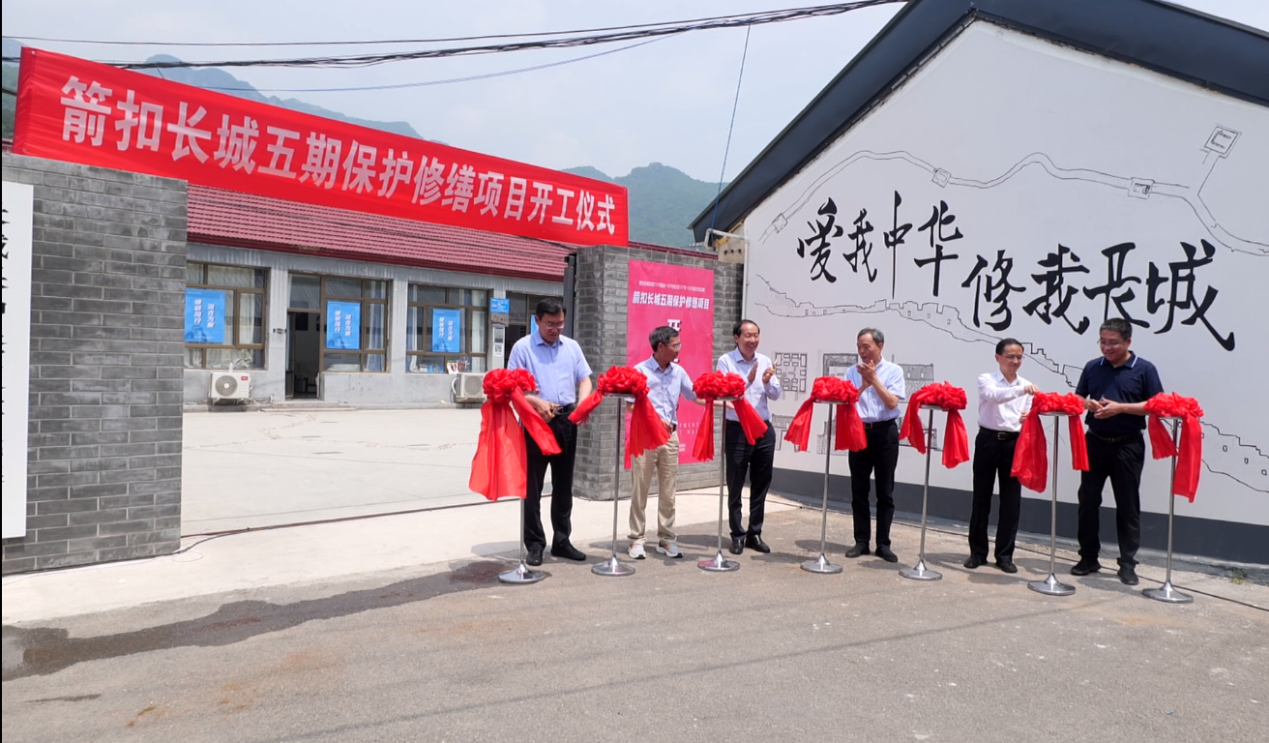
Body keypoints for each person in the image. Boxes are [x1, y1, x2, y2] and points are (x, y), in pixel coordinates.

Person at [1072, 317, 1164, 586]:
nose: (1107, 347)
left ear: (1128, 341)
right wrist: (1087, 404)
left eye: (1113, 343)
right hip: (1094, 441)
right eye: (1102, 342)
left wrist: (1120, 408)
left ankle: (1127, 564)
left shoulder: (1144, 369)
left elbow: (1156, 404)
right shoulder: (1093, 366)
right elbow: (1078, 396)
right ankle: (1088, 557)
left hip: (1127, 445)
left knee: (1127, 504)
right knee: (1088, 501)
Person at [506, 298, 594, 567]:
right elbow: (512, 389)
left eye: (560, 324)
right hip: (535, 421)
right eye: (550, 324)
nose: (556, 329)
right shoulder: (523, 348)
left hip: (566, 419)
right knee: (532, 486)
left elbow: (585, 379)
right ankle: (535, 544)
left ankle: (562, 540)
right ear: (537, 321)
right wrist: (535, 402)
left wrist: (582, 405)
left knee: (564, 484)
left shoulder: (572, 347)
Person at [627, 326, 703, 560]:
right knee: (640, 489)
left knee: (669, 490)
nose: (679, 349)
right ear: (661, 347)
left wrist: (722, 399)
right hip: (645, 437)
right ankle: (636, 538)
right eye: (675, 345)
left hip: (670, 438)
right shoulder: (639, 371)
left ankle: (667, 539)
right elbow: (630, 405)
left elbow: (696, 396)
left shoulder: (678, 372)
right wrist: (655, 420)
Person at [966, 338, 1039, 574]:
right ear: (998, 358)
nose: (1015, 361)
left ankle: (1005, 555)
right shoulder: (986, 379)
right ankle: (977, 553)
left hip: (1014, 443)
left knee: (1011, 501)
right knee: (981, 497)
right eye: (1010, 357)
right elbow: (995, 395)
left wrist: (1029, 416)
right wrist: (1021, 390)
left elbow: (1027, 412)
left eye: (1019, 357)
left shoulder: (1026, 385)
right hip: (988, 440)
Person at [716, 320, 781, 555]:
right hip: (738, 429)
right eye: (748, 335)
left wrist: (766, 382)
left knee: (761, 483)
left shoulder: (764, 360)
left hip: (763, 429)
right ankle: (737, 534)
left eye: (756, 335)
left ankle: (755, 533)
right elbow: (724, 393)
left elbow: (775, 394)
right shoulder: (726, 361)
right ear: (736, 338)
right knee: (735, 484)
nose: (752, 340)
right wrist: (749, 381)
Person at [843, 328, 905, 563]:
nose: (862, 351)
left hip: (885, 432)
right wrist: (863, 385)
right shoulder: (852, 371)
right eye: (859, 346)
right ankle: (861, 541)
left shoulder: (894, 371)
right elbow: (847, 401)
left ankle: (883, 544)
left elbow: (892, 402)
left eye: (866, 346)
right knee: (858, 490)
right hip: (859, 430)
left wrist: (874, 380)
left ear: (880, 346)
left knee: (885, 491)